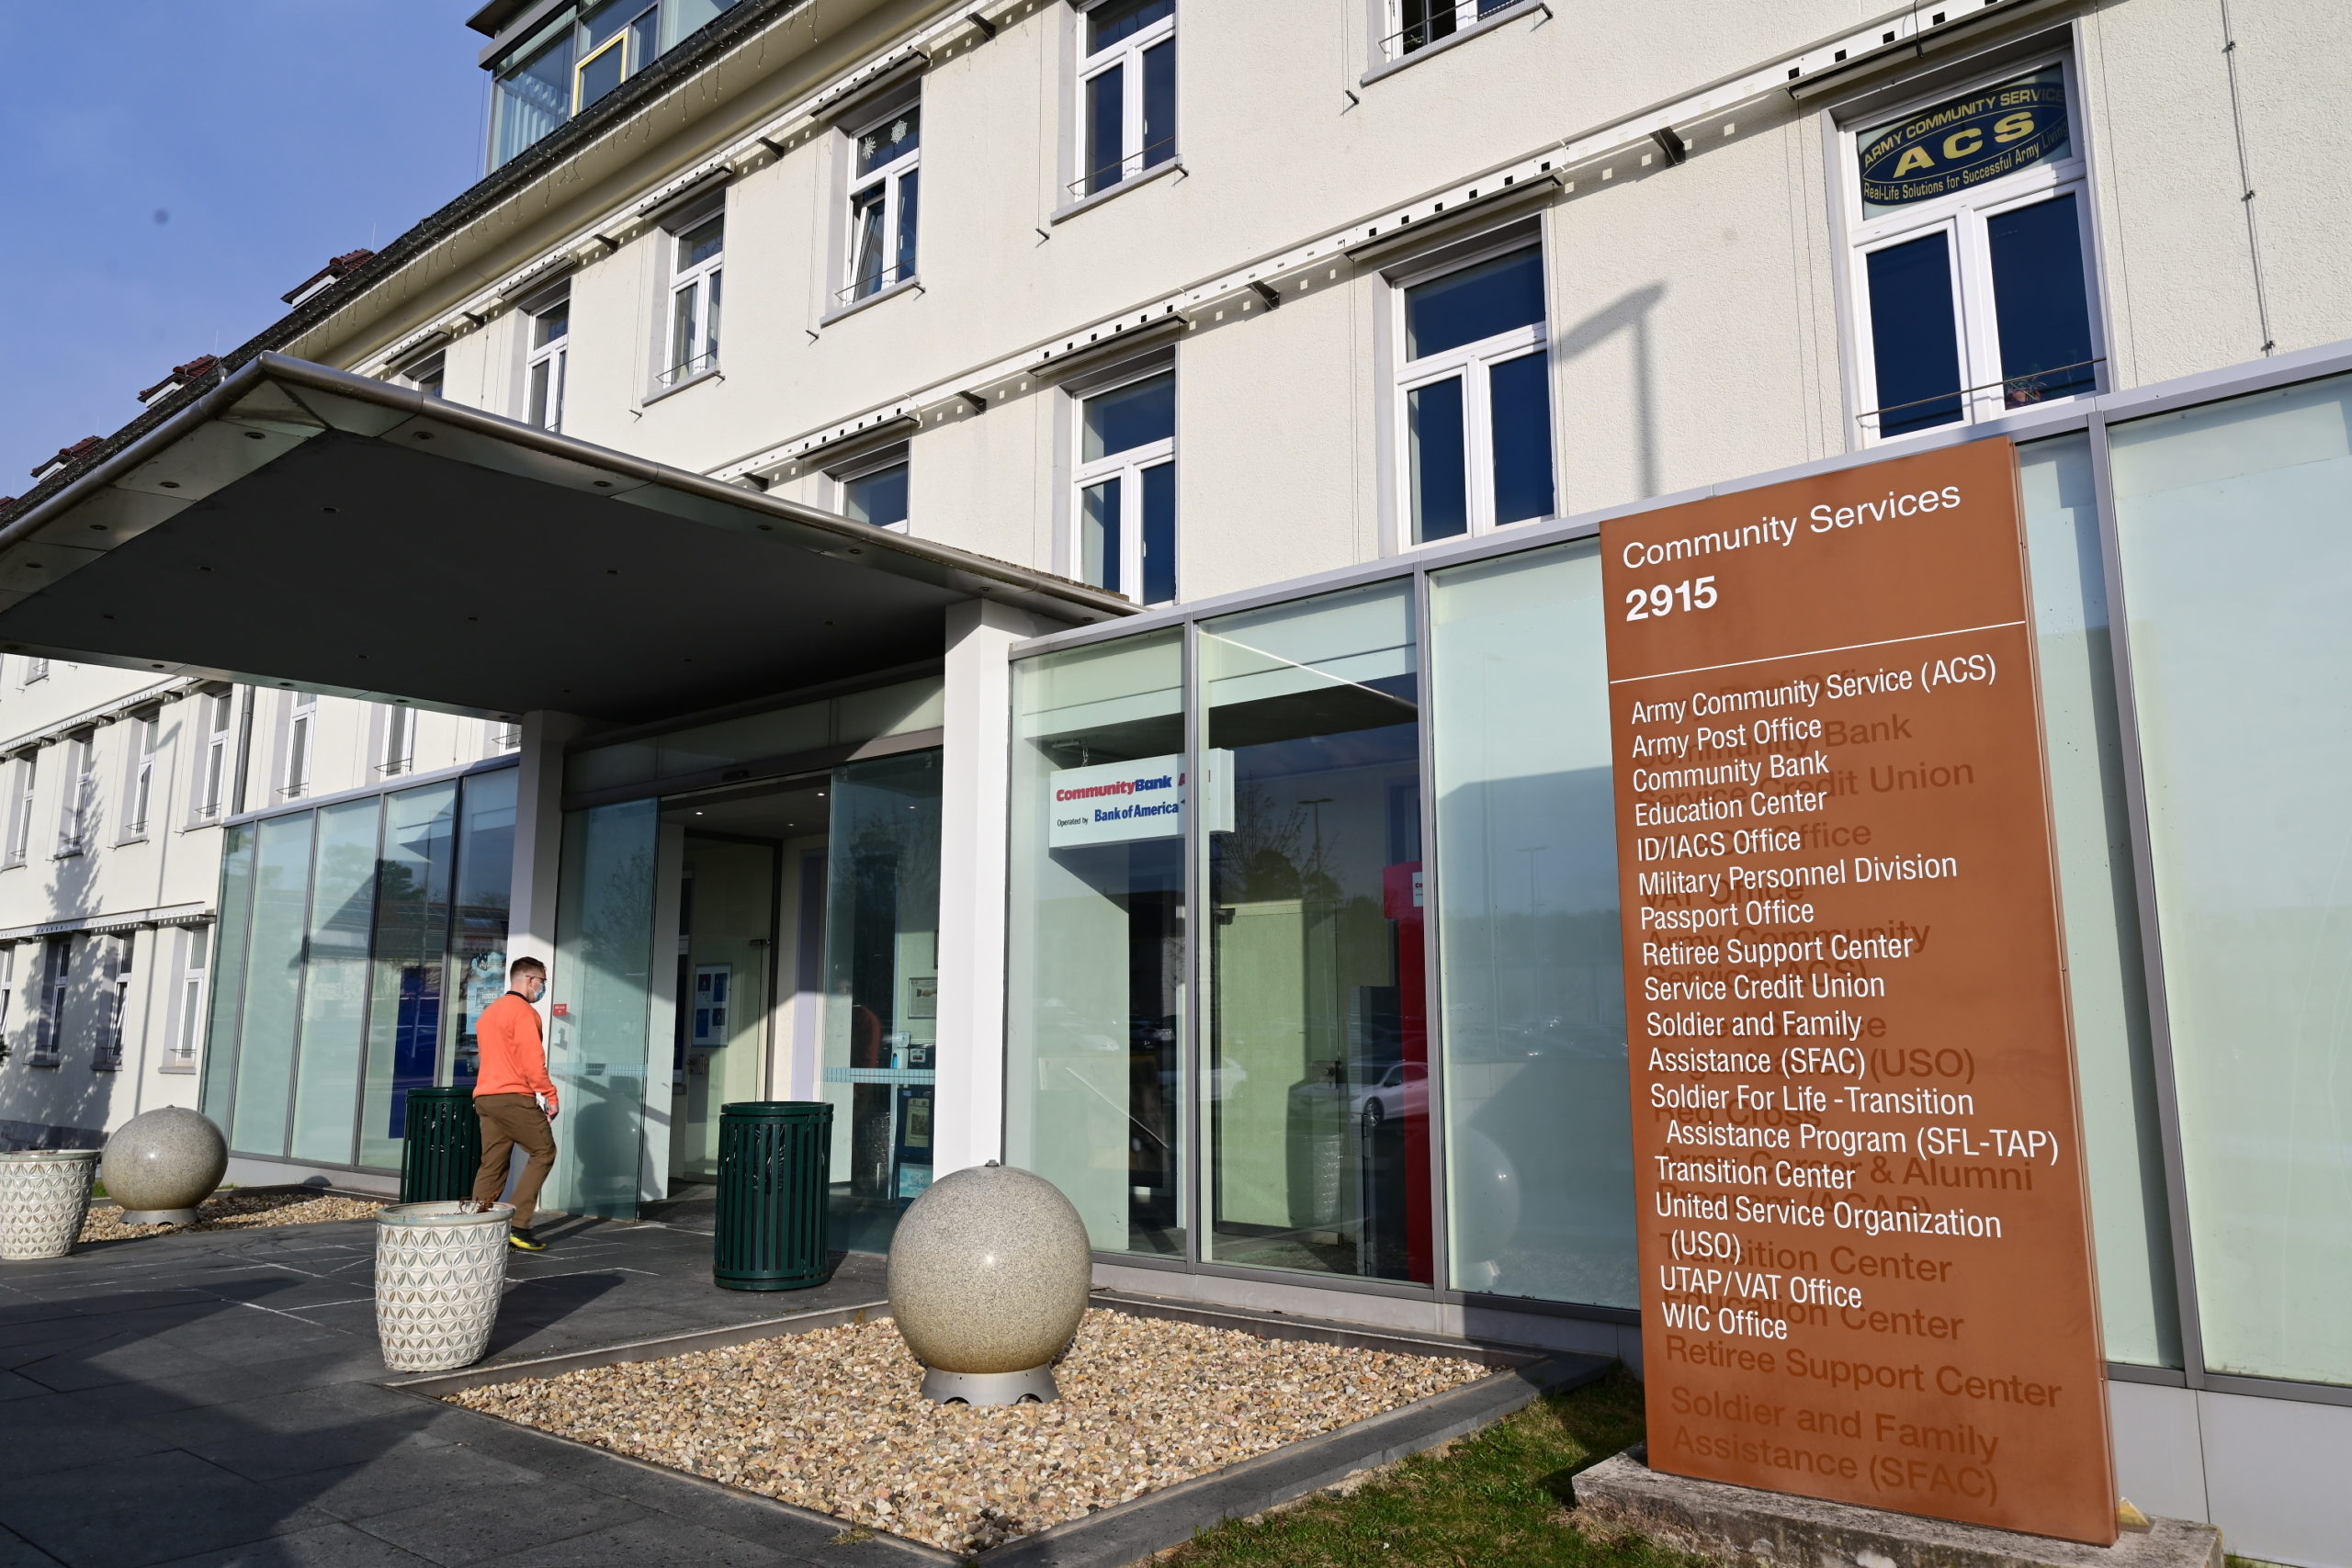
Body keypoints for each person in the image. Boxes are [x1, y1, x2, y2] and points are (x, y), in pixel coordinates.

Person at [472, 955, 559, 1252]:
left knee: (492, 1165)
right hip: (513, 1098)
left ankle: (479, 1231)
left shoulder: (489, 1015)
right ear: (530, 980)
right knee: (544, 1151)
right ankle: (519, 1225)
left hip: (485, 1098)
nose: (543, 988)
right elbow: (533, 1062)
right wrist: (550, 1094)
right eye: (542, 982)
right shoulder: (524, 1013)